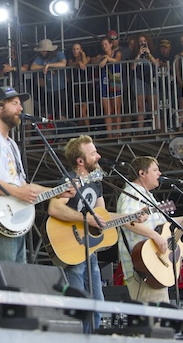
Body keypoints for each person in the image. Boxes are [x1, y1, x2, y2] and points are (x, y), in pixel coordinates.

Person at [0, 86, 74, 263]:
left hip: (13, 225)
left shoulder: (11, 144)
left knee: (17, 278)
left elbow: (23, 186)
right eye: (15, 103)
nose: (21, 108)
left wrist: (56, 192)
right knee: (3, 279)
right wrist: (17, 192)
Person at [117, 156, 183, 303]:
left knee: (159, 313)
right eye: (155, 170)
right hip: (142, 267)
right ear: (142, 173)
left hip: (154, 265)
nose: (160, 173)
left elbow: (165, 225)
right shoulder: (132, 194)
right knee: (154, 314)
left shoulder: (146, 196)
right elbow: (127, 221)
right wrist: (155, 236)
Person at [47, 135, 109, 333]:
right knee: (78, 306)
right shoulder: (68, 181)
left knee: (97, 305)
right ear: (80, 161)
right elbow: (54, 208)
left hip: (90, 249)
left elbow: (102, 215)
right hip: (72, 248)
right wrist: (86, 219)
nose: (98, 156)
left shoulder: (95, 181)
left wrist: (131, 217)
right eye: (93, 153)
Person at [30, 39, 68, 120]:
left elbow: (63, 64)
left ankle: (62, 126)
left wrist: (49, 65)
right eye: (41, 51)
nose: (41, 52)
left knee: (60, 112)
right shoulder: (40, 57)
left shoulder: (58, 54)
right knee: (48, 112)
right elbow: (33, 67)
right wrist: (45, 67)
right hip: (48, 88)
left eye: (43, 51)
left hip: (60, 87)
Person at [94, 37, 122, 136]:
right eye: (102, 45)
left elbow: (117, 60)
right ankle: (109, 133)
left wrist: (107, 59)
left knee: (116, 108)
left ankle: (117, 132)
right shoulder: (100, 56)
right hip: (104, 80)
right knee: (107, 110)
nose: (104, 46)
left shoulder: (117, 53)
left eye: (106, 44)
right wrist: (102, 58)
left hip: (115, 78)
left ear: (111, 44)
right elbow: (93, 62)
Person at [130, 33, 159, 129]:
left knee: (153, 105)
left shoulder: (153, 51)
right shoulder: (134, 53)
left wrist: (149, 54)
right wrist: (138, 54)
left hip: (151, 79)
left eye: (144, 41)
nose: (142, 43)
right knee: (140, 106)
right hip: (139, 79)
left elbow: (157, 65)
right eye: (140, 41)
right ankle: (140, 129)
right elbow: (133, 67)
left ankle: (156, 127)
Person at [67, 43, 93, 130]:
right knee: (77, 110)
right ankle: (81, 130)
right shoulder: (71, 59)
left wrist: (83, 54)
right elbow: (70, 64)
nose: (75, 51)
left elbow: (85, 62)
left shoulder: (87, 57)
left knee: (83, 110)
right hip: (75, 86)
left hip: (85, 86)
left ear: (81, 49)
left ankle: (88, 130)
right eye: (74, 49)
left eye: (77, 49)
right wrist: (78, 62)